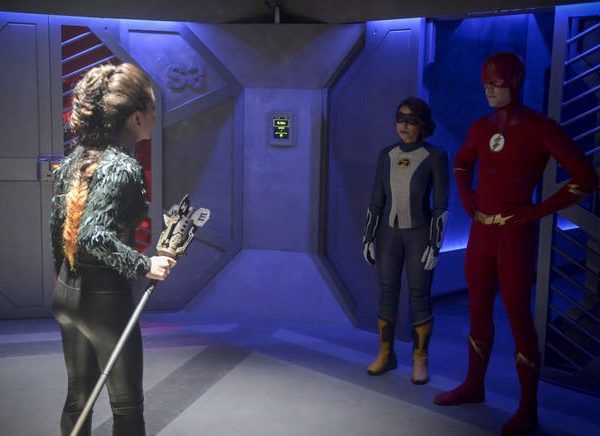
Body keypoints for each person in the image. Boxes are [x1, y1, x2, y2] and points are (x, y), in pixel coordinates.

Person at [433, 52, 598, 435]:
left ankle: (527, 408)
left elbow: (586, 178)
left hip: (514, 236)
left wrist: (535, 211)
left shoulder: (541, 129)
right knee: (477, 310)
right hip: (482, 234)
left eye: (496, 83)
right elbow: (462, 161)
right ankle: (474, 384)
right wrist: (467, 196)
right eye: (485, 84)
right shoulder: (481, 126)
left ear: (516, 82)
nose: (489, 90)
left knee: (519, 318)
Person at [50, 63, 176, 436]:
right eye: (152, 110)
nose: (154, 117)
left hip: (67, 293)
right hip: (105, 300)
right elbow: (93, 234)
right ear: (136, 118)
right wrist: (144, 265)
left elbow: (59, 230)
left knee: (78, 398)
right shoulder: (123, 167)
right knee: (127, 407)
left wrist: (66, 279)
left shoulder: (75, 158)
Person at [363, 97, 449, 384]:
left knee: (419, 296)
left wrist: (434, 244)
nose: (404, 125)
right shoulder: (386, 154)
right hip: (388, 236)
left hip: (419, 237)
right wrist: (368, 236)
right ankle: (385, 353)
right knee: (387, 292)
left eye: (412, 120)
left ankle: (420, 358)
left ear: (423, 124)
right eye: (400, 118)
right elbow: (376, 200)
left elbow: (441, 205)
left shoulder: (435, 156)